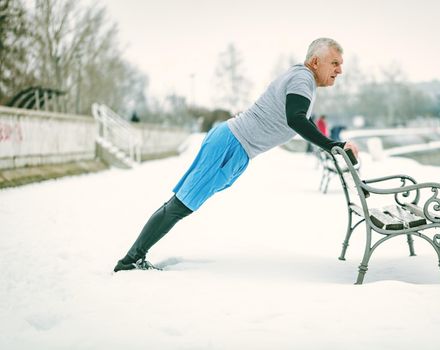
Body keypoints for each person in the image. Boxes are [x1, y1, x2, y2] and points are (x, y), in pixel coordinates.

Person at [113, 37, 360, 272]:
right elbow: (295, 118)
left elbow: (298, 119)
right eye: (335, 63)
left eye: (340, 64)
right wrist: (332, 145)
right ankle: (130, 260)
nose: (339, 70)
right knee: (180, 205)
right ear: (316, 61)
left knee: (182, 203)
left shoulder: (301, 77)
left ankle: (133, 257)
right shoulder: (302, 78)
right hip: (231, 145)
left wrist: (331, 145)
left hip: (234, 145)